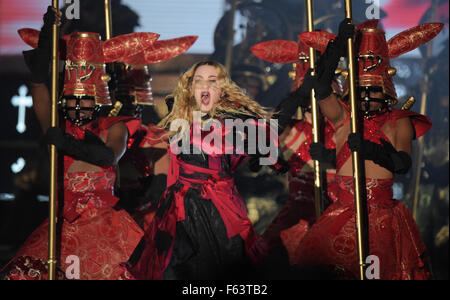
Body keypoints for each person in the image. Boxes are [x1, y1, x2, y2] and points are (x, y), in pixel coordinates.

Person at [0, 7, 159, 280]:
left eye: (85, 101)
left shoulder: (114, 126)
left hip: (105, 223)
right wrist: (49, 33)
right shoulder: (61, 125)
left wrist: (68, 144)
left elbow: (110, 156)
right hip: (63, 219)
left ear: (98, 101)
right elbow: (39, 87)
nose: (78, 107)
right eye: (73, 101)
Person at [289, 19, 443, 279]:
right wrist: (338, 46)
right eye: (361, 91)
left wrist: (370, 150)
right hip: (341, 210)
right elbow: (320, 88)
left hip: (382, 216)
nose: (367, 97)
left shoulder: (398, 120)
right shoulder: (343, 116)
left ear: (386, 90)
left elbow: (403, 164)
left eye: (373, 91)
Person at [125, 60, 288, 280]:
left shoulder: (232, 120)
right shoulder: (179, 115)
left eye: (212, 81)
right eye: (199, 80)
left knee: (226, 266)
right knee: (181, 267)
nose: (205, 86)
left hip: (220, 204)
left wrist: (265, 155)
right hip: (181, 204)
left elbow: (263, 142)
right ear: (190, 86)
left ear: (222, 88)